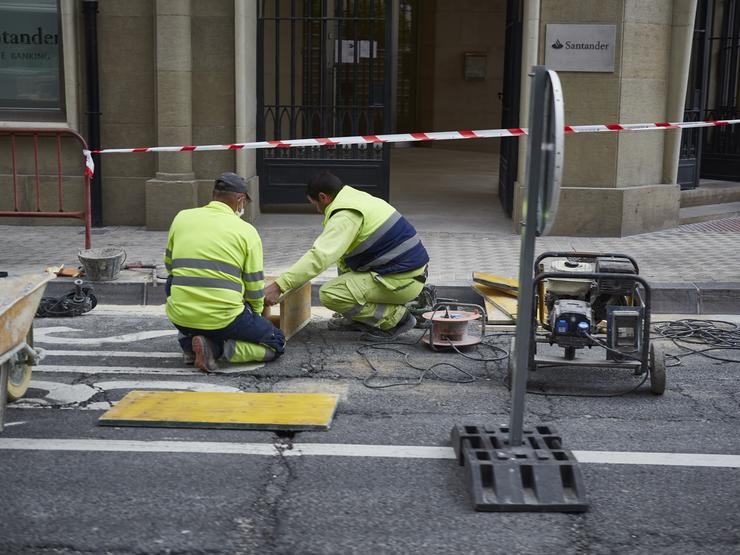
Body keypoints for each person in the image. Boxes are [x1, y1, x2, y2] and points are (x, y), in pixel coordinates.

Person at [264, 171, 429, 340]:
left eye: (314, 203)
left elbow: (320, 257)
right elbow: (336, 257)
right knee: (343, 261)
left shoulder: (346, 215)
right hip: (405, 274)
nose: (317, 209)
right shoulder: (355, 198)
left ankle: (397, 319)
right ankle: (363, 319)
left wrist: (279, 286)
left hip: (402, 281)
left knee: (331, 294)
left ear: (323, 197)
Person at [164, 172, 285, 373]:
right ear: (240, 199)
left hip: (181, 316)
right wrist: (255, 316)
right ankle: (216, 349)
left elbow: (170, 266)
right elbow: (254, 287)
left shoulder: (181, 218)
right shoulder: (247, 231)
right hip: (225, 319)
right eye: (245, 202)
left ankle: (189, 344)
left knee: (172, 280)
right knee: (277, 342)